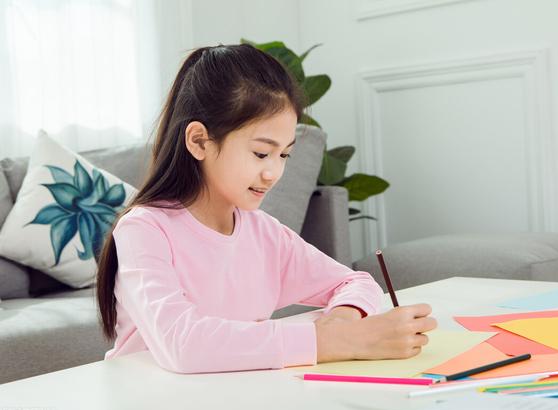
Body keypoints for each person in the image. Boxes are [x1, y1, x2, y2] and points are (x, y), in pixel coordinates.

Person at [96, 44, 437, 374]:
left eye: (284, 154)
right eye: (261, 153)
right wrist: (330, 342)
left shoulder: (263, 232)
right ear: (199, 141)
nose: (273, 173)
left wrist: (343, 321)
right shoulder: (145, 229)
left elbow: (355, 282)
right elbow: (182, 344)